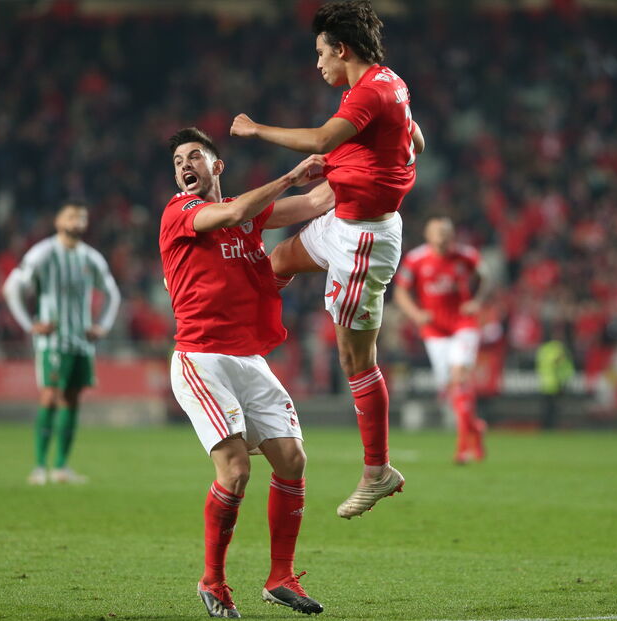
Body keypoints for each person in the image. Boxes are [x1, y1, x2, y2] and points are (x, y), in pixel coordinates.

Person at [230, 0, 423, 519]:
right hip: (343, 219)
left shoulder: (371, 92)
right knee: (278, 260)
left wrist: (255, 129)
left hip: (364, 240)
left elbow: (319, 138)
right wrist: (347, 163)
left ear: (342, 49)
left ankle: (378, 471)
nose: (318, 63)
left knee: (356, 360)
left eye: (321, 53)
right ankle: (247, 369)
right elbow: (416, 139)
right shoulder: (389, 84)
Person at [161, 127, 331, 618]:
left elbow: (317, 201)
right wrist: (291, 176)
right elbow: (235, 213)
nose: (184, 165)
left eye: (194, 156)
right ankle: (213, 580)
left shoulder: (245, 211)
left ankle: (281, 578)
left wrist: (371, 163)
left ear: (217, 166)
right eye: (178, 161)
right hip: (201, 358)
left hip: (249, 358)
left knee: (292, 460)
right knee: (236, 471)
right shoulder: (181, 211)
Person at [2, 201, 121, 485]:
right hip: (53, 341)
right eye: (71, 216)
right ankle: (39, 467)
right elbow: (11, 287)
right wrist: (29, 324)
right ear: (58, 221)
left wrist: (102, 326)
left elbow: (113, 293)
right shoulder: (43, 253)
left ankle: (60, 467)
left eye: (81, 217)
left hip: (81, 342)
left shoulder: (90, 257)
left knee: (72, 399)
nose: (76, 221)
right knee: (50, 396)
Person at [394, 216, 488, 464]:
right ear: (428, 236)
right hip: (434, 330)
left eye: (446, 232)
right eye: (438, 232)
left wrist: (477, 301)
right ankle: (475, 429)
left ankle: (462, 448)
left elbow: (486, 277)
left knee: (459, 379)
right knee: (450, 389)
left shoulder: (466, 256)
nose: (442, 237)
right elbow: (400, 291)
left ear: (452, 235)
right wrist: (416, 314)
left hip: (463, 325)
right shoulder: (415, 259)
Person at [535, 326, 575, 430]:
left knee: (549, 407)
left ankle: (547, 426)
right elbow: (559, 363)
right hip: (554, 381)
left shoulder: (545, 348)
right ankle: (550, 426)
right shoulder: (557, 348)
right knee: (552, 407)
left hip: (548, 381)